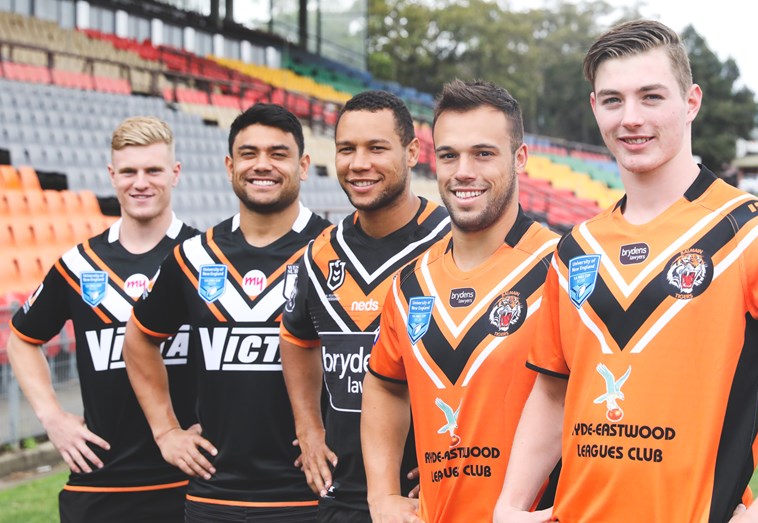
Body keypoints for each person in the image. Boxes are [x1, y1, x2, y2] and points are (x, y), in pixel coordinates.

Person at [494, 19, 758, 523]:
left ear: (691, 101)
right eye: (612, 100)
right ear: (595, 109)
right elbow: (553, 388)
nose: (630, 118)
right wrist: (509, 505)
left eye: (651, 97)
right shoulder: (575, 250)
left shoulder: (756, 234)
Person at [360, 79, 561, 523]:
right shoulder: (410, 284)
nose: (463, 171)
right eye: (449, 155)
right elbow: (383, 383)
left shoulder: (562, 269)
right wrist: (382, 495)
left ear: (520, 158)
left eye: (483, 154)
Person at [123, 103, 332, 522]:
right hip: (215, 497)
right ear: (229, 165)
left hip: (316, 495)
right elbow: (139, 337)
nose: (262, 165)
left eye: (278, 153)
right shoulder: (194, 256)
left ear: (303, 165)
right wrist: (166, 431)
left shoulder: (334, 250)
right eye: (249, 153)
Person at [7, 116, 199, 522]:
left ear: (175, 174)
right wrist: (52, 417)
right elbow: (21, 339)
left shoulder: (204, 257)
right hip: (100, 483)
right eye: (128, 171)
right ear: (112, 176)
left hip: (192, 480)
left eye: (153, 170)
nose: (140, 182)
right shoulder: (79, 264)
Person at [279, 90, 450, 523]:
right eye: (346, 149)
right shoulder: (317, 256)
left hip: (429, 498)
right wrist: (308, 427)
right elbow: (296, 339)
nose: (359, 164)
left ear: (412, 153)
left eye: (377, 148)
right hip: (344, 496)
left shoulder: (453, 244)